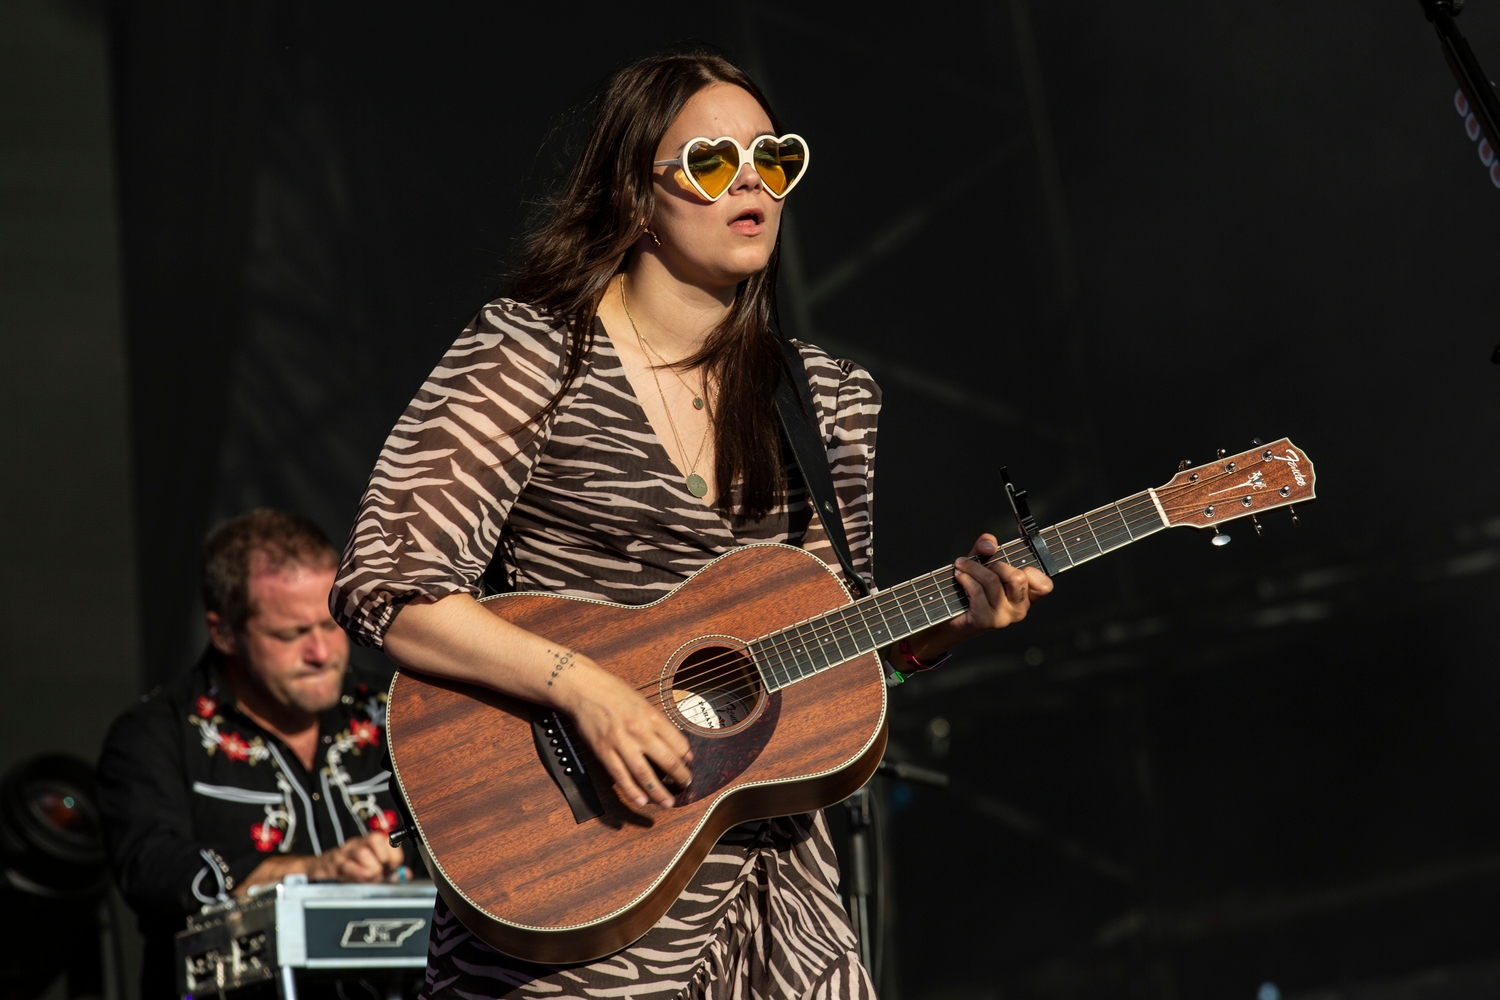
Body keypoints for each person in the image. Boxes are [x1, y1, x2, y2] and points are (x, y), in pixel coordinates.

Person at [330, 50, 1053, 1000]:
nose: (751, 182)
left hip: (775, 898)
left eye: (775, 159)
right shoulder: (529, 355)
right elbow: (390, 587)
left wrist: (949, 625)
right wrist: (585, 687)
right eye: (714, 162)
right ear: (635, 195)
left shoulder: (827, 399)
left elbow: (834, 652)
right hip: (575, 872)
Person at [98, 509, 414, 998]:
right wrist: (316, 871)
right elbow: (154, 870)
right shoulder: (156, 734)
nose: (322, 652)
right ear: (224, 633)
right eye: (291, 634)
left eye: (331, 624)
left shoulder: (395, 712)